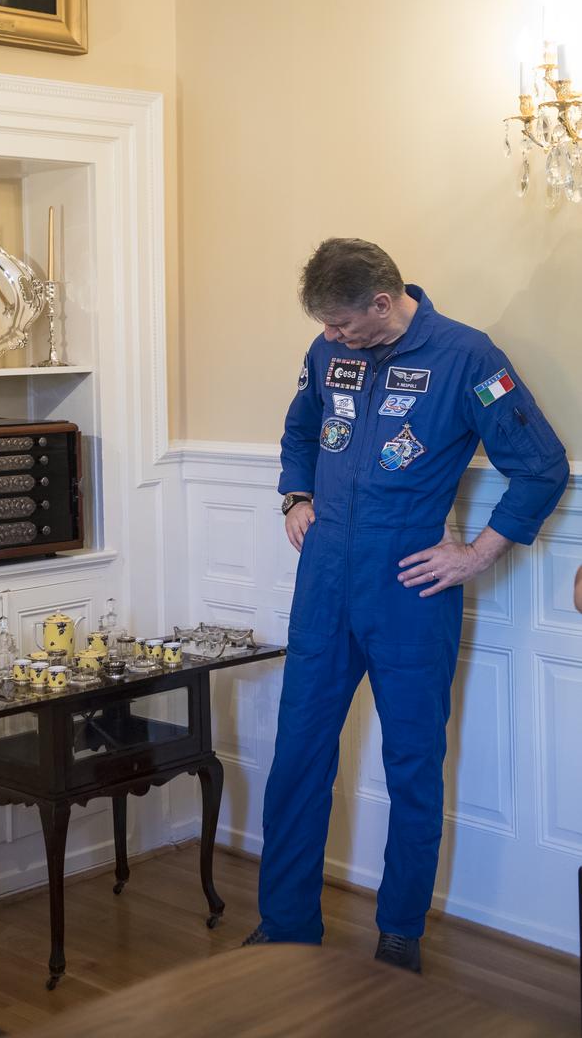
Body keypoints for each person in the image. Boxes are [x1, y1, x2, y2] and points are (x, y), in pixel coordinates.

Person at [243, 238, 568, 973]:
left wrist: (476, 554)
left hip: (409, 588)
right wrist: (295, 495)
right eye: (325, 326)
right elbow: (300, 429)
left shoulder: (468, 358)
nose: (331, 337)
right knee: (297, 754)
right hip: (324, 581)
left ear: (383, 303)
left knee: (412, 762)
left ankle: (399, 933)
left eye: (341, 323)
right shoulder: (328, 352)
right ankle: (286, 923)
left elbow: (541, 467)